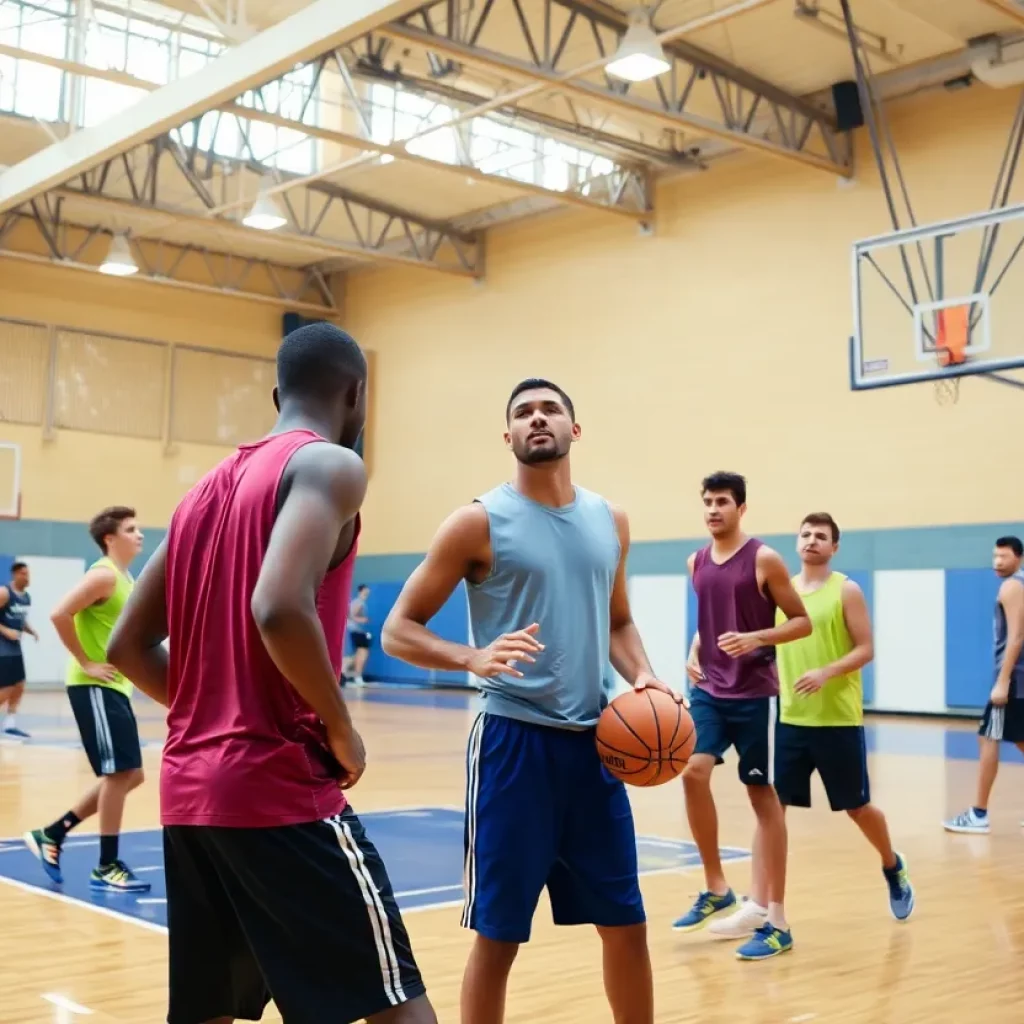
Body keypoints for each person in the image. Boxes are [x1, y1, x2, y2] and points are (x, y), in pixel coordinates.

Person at [107, 322, 435, 1024]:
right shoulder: (330, 467)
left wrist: (212, 712)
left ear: (277, 392)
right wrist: (340, 729)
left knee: (208, 1010)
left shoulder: (200, 493)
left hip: (190, 790)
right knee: (397, 1005)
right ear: (357, 395)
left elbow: (128, 647)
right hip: (277, 788)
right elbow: (279, 607)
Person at [382, 377, 683, 1024]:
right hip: (512, 748)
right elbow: (397, 628)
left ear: (576, 430)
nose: (537, 418)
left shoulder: (611, 521)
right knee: (500, 937)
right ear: (508, 435)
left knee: (626, 924)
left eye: (551, 410)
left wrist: (646, 677)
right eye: (523, 413)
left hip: (596, 750)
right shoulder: (476, 522)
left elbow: (619, 621)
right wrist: (470, 657)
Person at [672, 471, 810, 961]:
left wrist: (757, 638)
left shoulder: (765, 559)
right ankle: (716, 887)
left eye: (723, 502)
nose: (713, 509)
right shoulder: (696, 561)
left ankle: (777, 919)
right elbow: (710, 619)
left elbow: (800, 621)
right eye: (707, 501)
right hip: (709, 688)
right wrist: (694, 646)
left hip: (754, 694)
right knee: (692, 772)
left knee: (761, 798)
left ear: (741, 508)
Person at [773, 512, 914, 919]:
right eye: (805, 534)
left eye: (821, 536)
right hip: (790, 719)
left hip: (836, 719)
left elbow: (865, 649)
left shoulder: (845, 590)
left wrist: (825, 672)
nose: (812, 540)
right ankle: (766, 901)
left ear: (834, 547)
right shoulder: (783, 592)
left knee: (857, 808)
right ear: (796, 542)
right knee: (773, 809)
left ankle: (892, 864)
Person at [23, 507, 149, 892]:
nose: (139, 534)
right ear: (110, 539)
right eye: (131, 529)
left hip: (115, 688)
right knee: (118, 774)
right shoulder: (103, 575)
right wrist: (86, 662)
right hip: (94, 686)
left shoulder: (126, 579)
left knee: (132, 774)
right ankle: (107, 864)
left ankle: (54, 833)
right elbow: (60, 613)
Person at [943, 535, 1024, 834]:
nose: (997, 562)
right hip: (1017, 680)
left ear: (1019, 557)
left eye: (1004, 556)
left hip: (1014, 680)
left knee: (987, 737)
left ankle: (978, 813)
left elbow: (1016, 636)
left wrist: (1002, 682)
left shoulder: (1013, 586)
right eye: (995, 556)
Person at [0, 561, 38, 739]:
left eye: (28, 573)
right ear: (15, 574)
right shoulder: (4, 593)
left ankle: (10, 724)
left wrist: (31, 631)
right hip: (2, 648)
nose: (27, 577)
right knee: (6, 688)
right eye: (23, 573)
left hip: (15, 648)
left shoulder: (26, 597)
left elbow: (20, 619)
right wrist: (6, 630)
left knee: (20, 684)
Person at [343, 583, 373, 685]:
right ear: (361, 591)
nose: (368, 592)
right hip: (356, 631)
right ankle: (357, 676)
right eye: (366, 590)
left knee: (357, 654)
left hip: (357, 631)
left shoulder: (360, 602)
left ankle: (348, 674)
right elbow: (351, 616)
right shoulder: (358, 603)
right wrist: (363, 619)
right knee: (362, 653)